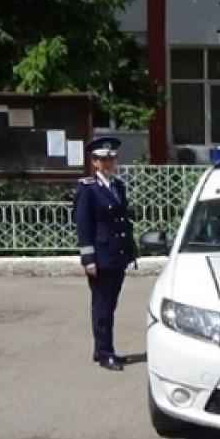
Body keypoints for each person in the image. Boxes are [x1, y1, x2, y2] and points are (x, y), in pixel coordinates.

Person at [73, 137, 136, 371]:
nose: (108, 163)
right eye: (103, 159)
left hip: (117, 254)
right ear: (94, 162)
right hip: (101, 256)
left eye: (112, 159)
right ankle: (105, 353)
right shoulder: (88, 188)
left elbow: (122, 221)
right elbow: (83, 225)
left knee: (110, 305)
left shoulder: (117, 185)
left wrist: (129, 250)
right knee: (102, 307)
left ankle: (101, 349)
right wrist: (88, 258)